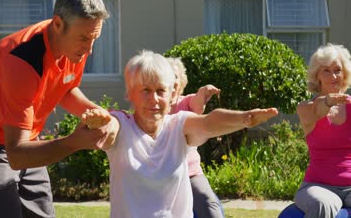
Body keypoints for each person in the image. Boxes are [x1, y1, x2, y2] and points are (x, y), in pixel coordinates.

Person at [0, 0, 111, 218]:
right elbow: (17, 155)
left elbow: (65, 88)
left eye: (95, 38)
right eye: (83, 38)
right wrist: (74, 142)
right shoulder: (23, 61)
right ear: (58, 24)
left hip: (25, 137)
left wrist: (97, 113)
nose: (89, 50)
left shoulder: (74, 47)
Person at [81, 50, 278, 218]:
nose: (154, 99)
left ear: (172, 94)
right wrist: (101, 123)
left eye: (161, 90)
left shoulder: (179, 125)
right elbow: (111, 130)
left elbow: (209, 122)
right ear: (129, 93)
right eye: (145, 90)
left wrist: (245, 118)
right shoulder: (121, 124)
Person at [294, 43, 351, 218]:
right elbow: (317, 112)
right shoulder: (305, 108)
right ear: (317, 76)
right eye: (326, 70)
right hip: (318, 186)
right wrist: (328, 102)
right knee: (323, 205)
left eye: (338, 70)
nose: (333, 76)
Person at [166, 57, 224, 218]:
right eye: (167, 76)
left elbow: (197, 104)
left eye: (175, 76)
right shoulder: (152, 107)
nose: (172, 81)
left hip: (190, 173)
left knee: (208, 202)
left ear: (182, 82)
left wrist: (203, 92)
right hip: (162, 176)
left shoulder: (185, 102)